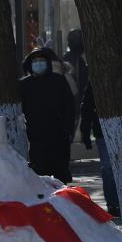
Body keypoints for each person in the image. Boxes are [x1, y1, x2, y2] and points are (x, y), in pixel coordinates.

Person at [19, 47, 75, 183]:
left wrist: (67, 128)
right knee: (40, 176)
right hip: (36, 137)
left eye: (41, 60)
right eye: (35, 61)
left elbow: (69, 106)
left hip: (59, 136)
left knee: (60, 174)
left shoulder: (59, 81)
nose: (38, 63)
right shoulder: (24, 85)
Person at [80, 86, 120, 216]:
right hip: (102, 131)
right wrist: (85, 133)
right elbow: (87, 108)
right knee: (108, 168)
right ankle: (113, 203)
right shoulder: (96, 81)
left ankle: (119, 201)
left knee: (115, 168)